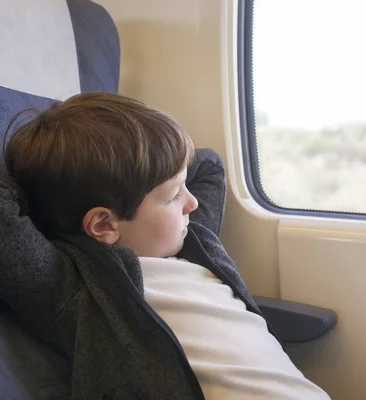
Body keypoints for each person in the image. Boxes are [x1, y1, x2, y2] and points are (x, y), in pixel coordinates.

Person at [0, 92, 330, 399]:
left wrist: (164, 163)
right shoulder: (75, 288)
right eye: (174, 195)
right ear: (103, 224)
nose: (192, 203)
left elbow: (209, 164)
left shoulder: (192, 241)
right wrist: (37, 187)